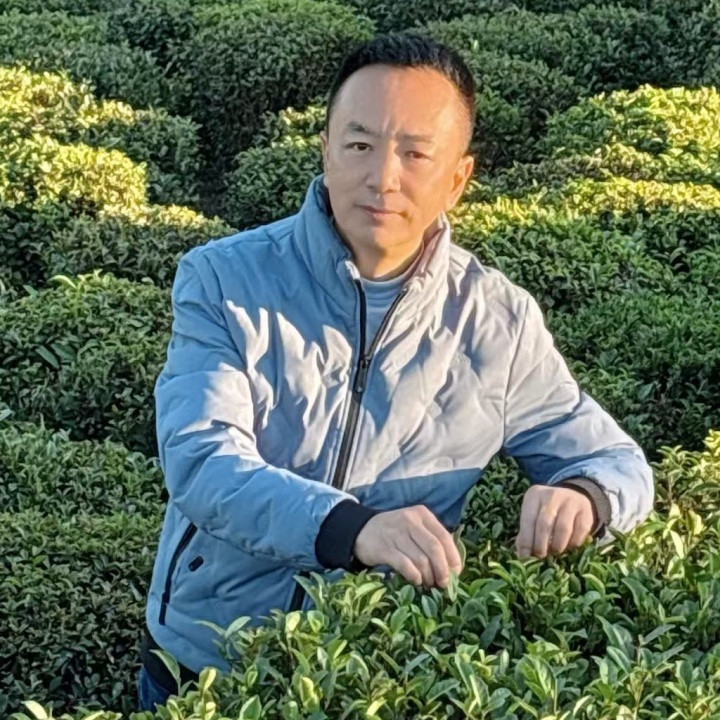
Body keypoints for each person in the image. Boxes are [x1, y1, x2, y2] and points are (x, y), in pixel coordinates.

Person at [137, 31, 654, 711]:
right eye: (359, 144)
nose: (383, 176)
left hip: (376, 672)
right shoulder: (224, 280)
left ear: (457, 179)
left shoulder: (497, 321)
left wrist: (585, 495)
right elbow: (202, 460)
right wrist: (352, 529)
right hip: (208, 658)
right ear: (325, 150)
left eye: (415, 153)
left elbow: (616, 460)